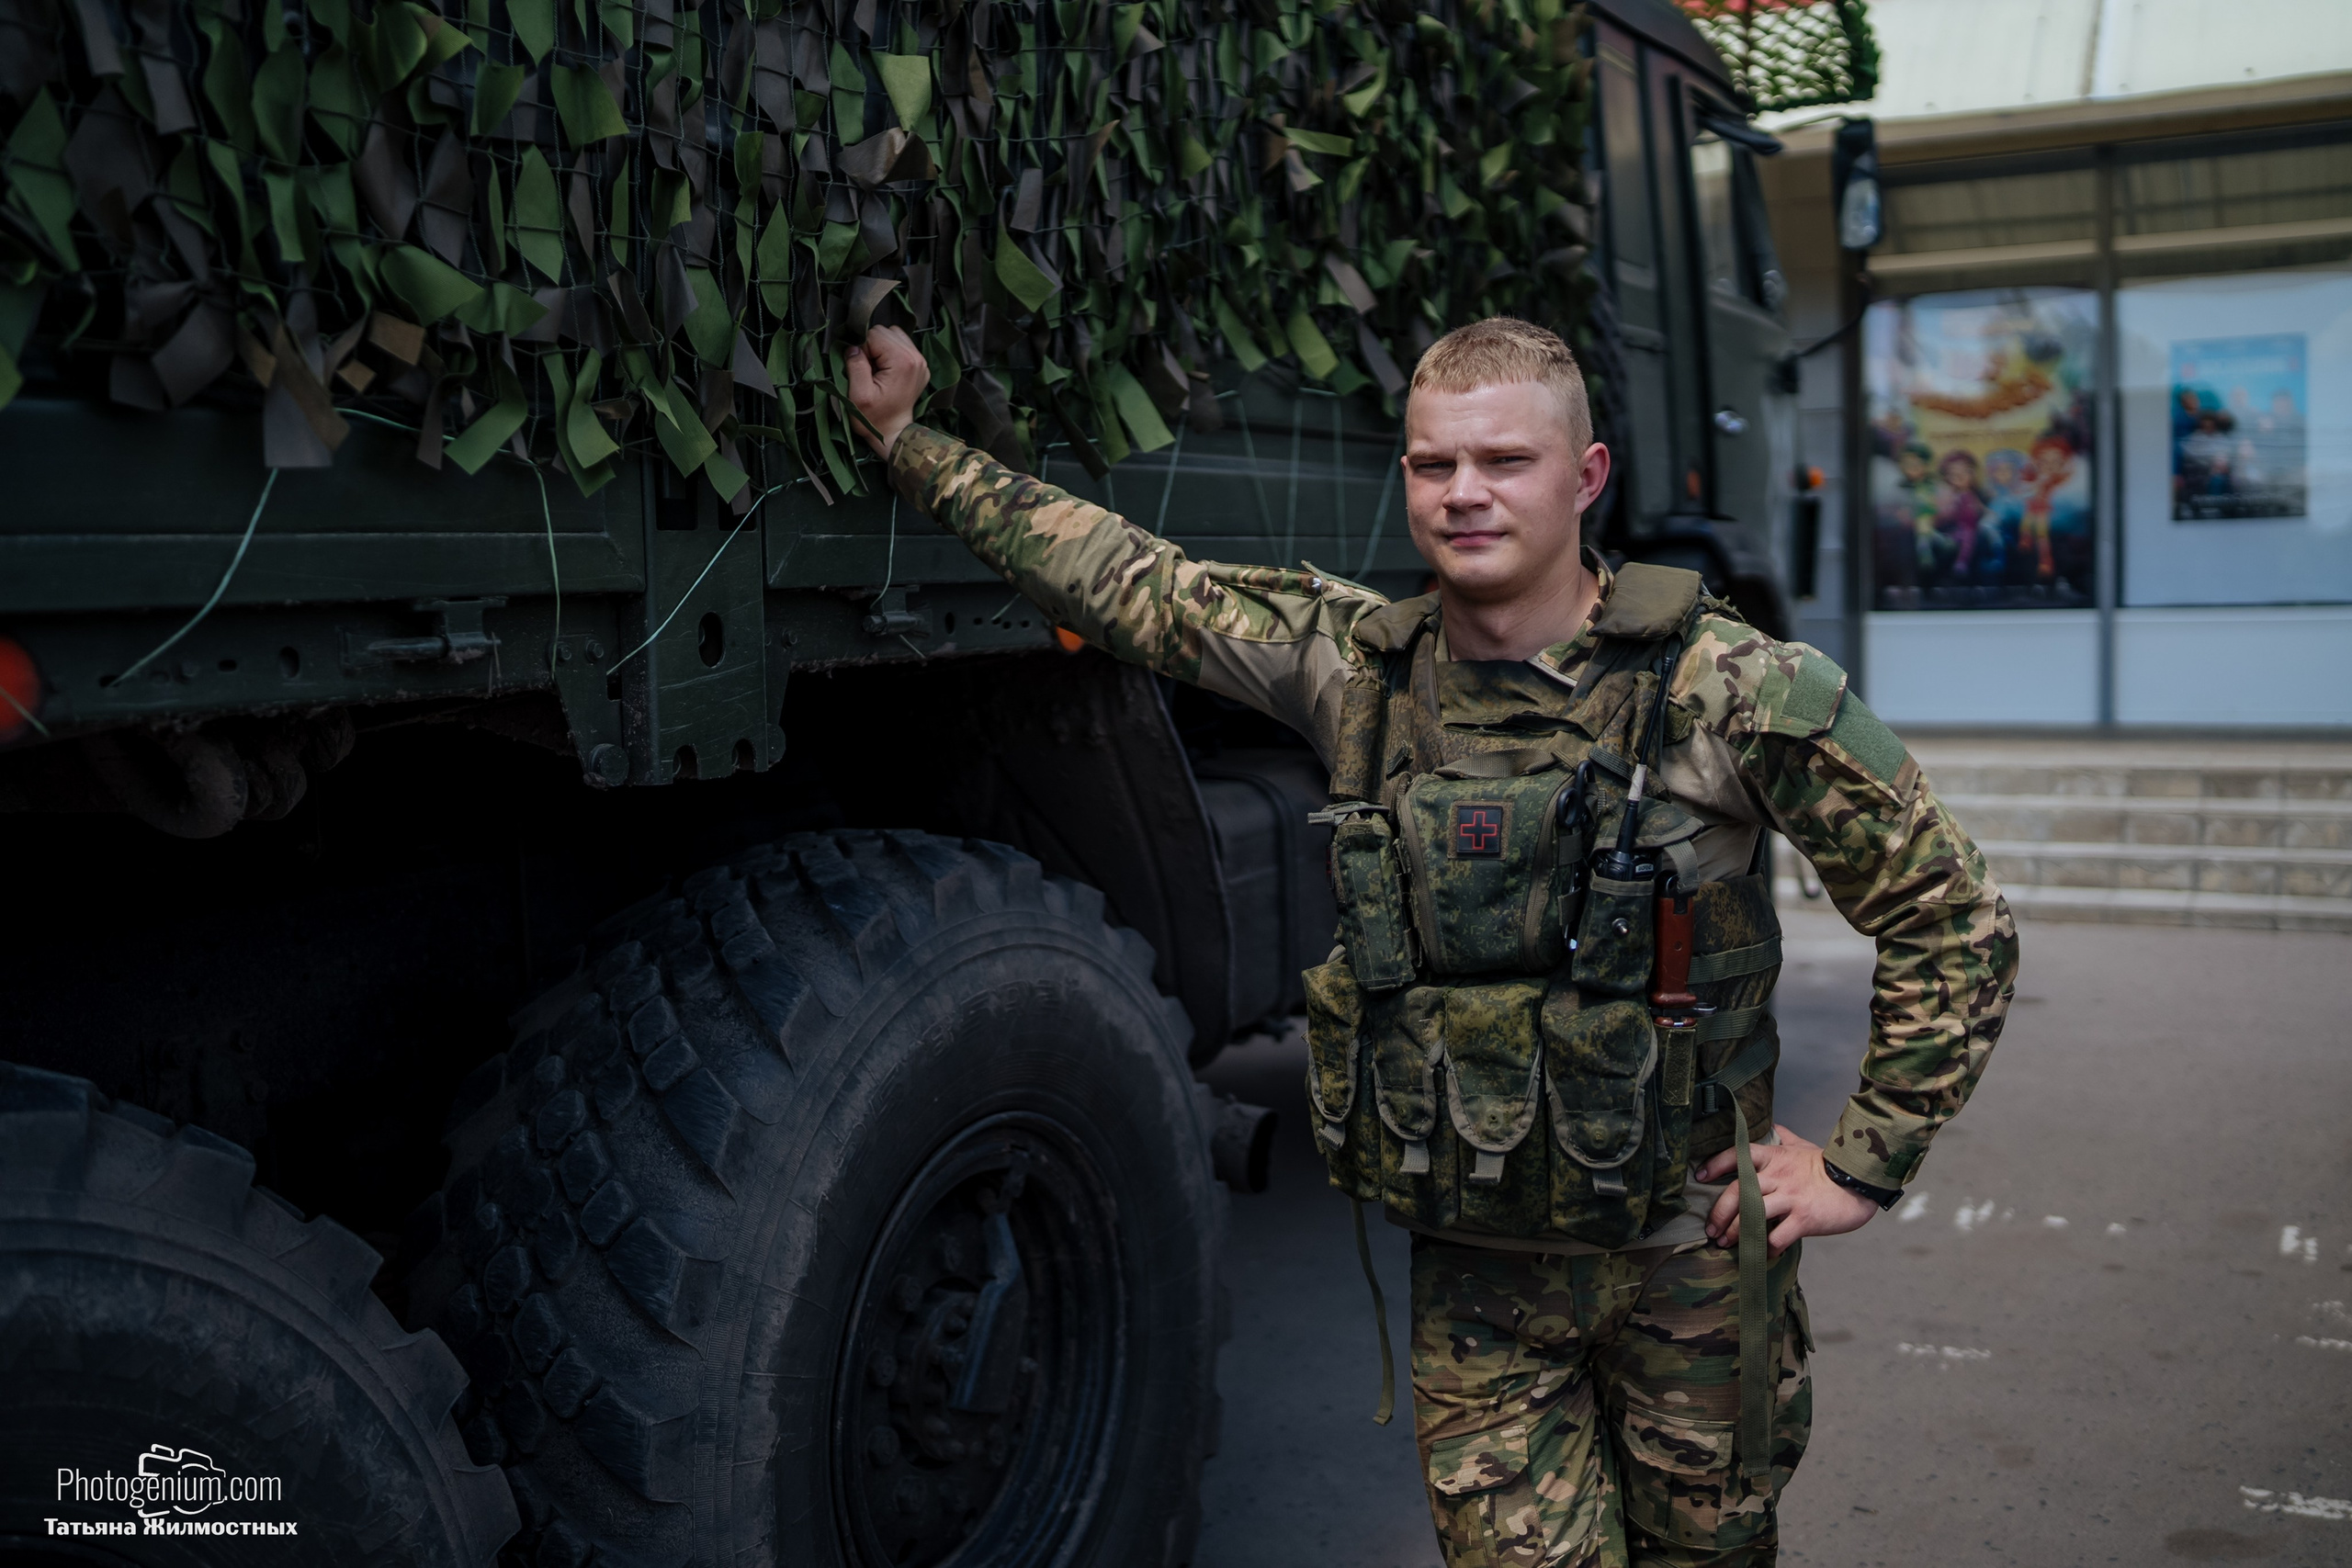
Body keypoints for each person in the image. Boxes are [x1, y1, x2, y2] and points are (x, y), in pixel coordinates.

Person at [846, 316, 2017, 1568]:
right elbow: (1131, 581)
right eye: (1433, 463)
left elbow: (1950, 912)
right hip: (1478, 1285)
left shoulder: (1725, 687)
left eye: (1505, 460)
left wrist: (1862, 1164)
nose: (1464, 493)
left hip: (1689, 1269)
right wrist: (909, 442)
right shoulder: (1358, 670)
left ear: (1586, 476)